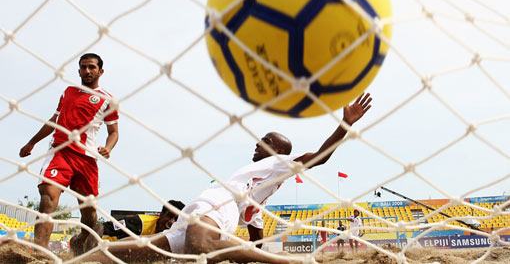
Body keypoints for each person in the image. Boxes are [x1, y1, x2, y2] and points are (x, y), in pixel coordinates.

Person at [83, 93, 372, 263]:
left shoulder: (279, 162)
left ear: (280, 150)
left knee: (172, 251)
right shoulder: (259, 187)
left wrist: (344, 125)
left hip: (220, 207)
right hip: (213, 207)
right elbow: (255, 241)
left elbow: (320, 157)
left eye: (264, 141)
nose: (257, 145)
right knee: (165, 251)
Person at [19, 53, 119, 254]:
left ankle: (83, 238)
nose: (87, 71)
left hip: (87, 159)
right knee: (47, 199)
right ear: (79, 70)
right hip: (60, 152)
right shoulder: (68, 92)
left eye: (91, 67)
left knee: (89, 214)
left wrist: (108, 148)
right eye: (83, 67)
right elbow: (53, 121)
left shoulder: (108, 100)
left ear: (101, 71)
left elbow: (114, 132)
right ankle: (40, 255)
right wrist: (32, 142)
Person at [83, 200, 185, 250]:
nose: (171, 222)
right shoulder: (139, 222)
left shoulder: (177, 234)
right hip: (100, 246)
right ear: (161, 215)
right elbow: (100, 227)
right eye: (169, 216)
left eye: (176, 219)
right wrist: (89, 253)